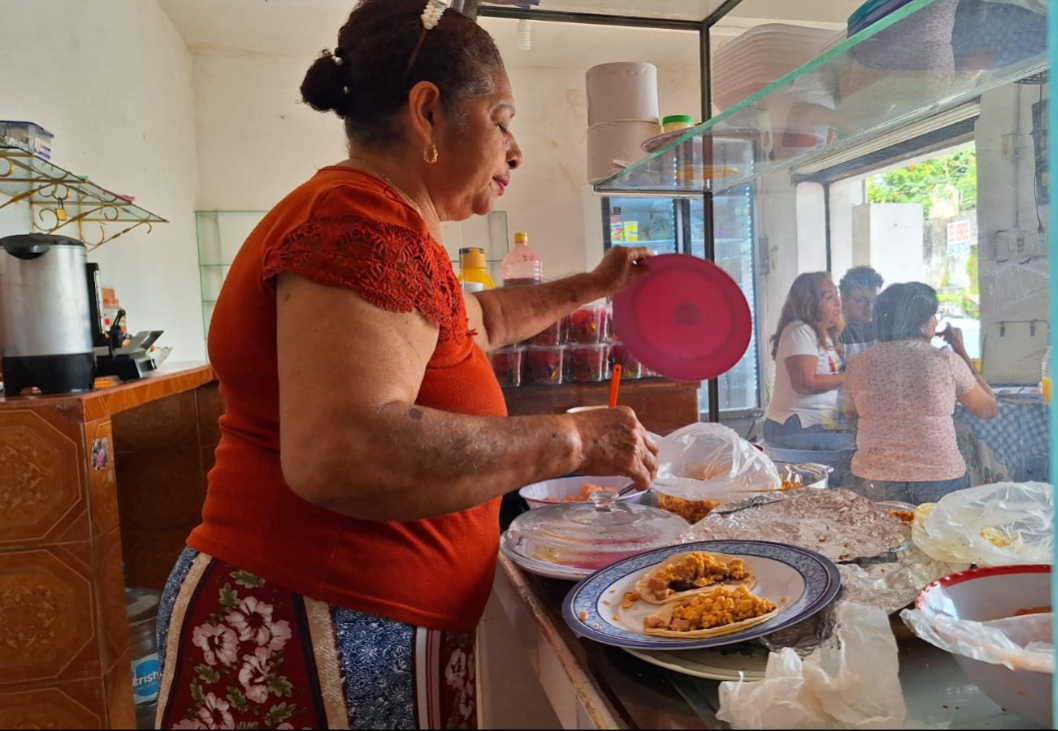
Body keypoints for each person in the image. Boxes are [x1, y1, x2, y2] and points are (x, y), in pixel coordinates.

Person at [154, 3, 658, 729]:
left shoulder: (384, 225)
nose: (515, 150)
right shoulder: (360, 223)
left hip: (353, 618)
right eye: (503, 119)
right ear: (428, 112)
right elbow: (343, 450)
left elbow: (477, 322)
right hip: (319, 623)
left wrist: (592, 287)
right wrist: (578, 440)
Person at [843, 282, 997, 504]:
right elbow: (987, 408)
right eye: (933, 315)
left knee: (884, 537)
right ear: (923, 325)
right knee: (936, 537)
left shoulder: (858, 363)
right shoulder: (944, 360)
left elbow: (850, 414)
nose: (936, 321)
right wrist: (960, 350)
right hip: (938, 475)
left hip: (875, 474)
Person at [763, 272, 855, 451]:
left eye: (837, 294)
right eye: (829, 297)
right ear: (809, 303)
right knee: (859, 450)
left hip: (818, 422)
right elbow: (805, 384)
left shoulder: (822, 334)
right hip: (794, 427)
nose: (838, 302)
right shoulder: (799, 331)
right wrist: (850, 376)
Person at [839, 266, 884, 363]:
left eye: (874, 300)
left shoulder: (883, 325)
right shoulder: (834, 330)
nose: (870, 308)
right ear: (843, 299)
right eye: (861, 301)